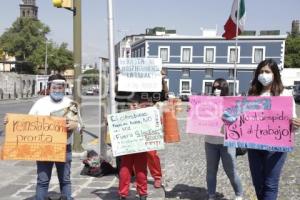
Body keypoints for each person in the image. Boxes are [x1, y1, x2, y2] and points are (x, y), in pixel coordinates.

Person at [7, 74, 79, 200]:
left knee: (65, 180)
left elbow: (80, 126)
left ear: (64, 88)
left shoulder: (71, 104)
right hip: (43, 149)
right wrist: (10, 121)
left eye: (60, 87)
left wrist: (75, 125)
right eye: (54, 87)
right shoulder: (40, 103)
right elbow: (26, 122)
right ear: (49, 87)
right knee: (42, 181)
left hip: (64, 148)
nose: (57, 90)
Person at [247, 59, 300, 200]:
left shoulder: (285, 95)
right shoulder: (252, 94)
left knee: (271, 184)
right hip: (254, 145)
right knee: (257, 183)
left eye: (267, 72)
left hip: (276, 148)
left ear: (275, 74)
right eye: (261, 72)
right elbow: (244, 117)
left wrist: (295, 123)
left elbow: (292, 120)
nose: (263, 74)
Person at [204, 78, 243, 200]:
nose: (216, 90)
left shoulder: (232, 102)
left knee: (231, 170)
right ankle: (211, 194)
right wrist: (192, 112)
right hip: (210, 141)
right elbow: (200, 117)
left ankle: (239, 195)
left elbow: (237, 120)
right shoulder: (207, 102)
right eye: (214, 88)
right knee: (211, 170)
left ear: (224, 88)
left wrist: (225, 114)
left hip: (227, 142)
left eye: (219, 88)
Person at [118, 93, 153, 200]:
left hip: (137, 147)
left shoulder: (143, 114)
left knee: (136, 170)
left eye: (134, 105)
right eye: (131, 105)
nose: (132, 107)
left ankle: (132, 193)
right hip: (130, 147)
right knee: (129, 169)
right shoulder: (143, 114)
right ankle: (138, 193)